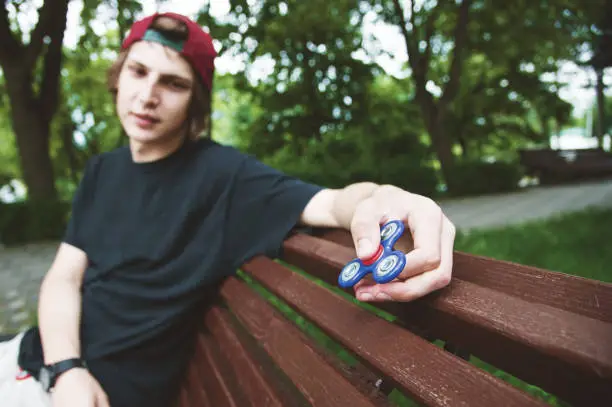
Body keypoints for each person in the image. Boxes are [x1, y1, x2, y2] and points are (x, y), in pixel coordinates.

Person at [0, 12, 456, 407]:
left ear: (195, 100)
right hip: (44, 363)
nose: (147, 96)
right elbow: (63, 276)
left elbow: (333, 202)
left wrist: (383, 198)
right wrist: (66, 368)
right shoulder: (103, 170)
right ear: (119, 75)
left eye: (173, 83)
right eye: (138, 72)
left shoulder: (224, 177)